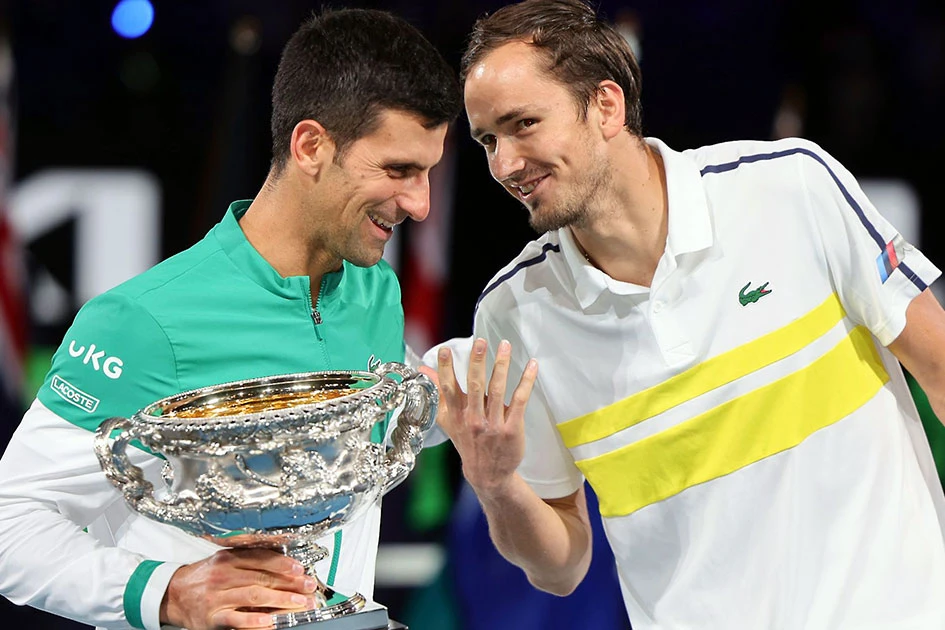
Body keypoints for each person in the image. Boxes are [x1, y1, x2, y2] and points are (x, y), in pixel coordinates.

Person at [431, 1, 945, 628]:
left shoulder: (791, 187)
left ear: (606, 107)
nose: (505, 164)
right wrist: (497, 485)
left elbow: (940, 369)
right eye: (488, 140)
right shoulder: (513, 313)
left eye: (524, 124)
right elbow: (560, 569)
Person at [0, 8, 460, 630]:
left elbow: (372, 422)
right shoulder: (142, 322)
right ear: (311, 146)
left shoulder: (375, 290)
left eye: (428, 172)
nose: (421, 203)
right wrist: (167, 593)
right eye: (398, 170)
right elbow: (10, 525)